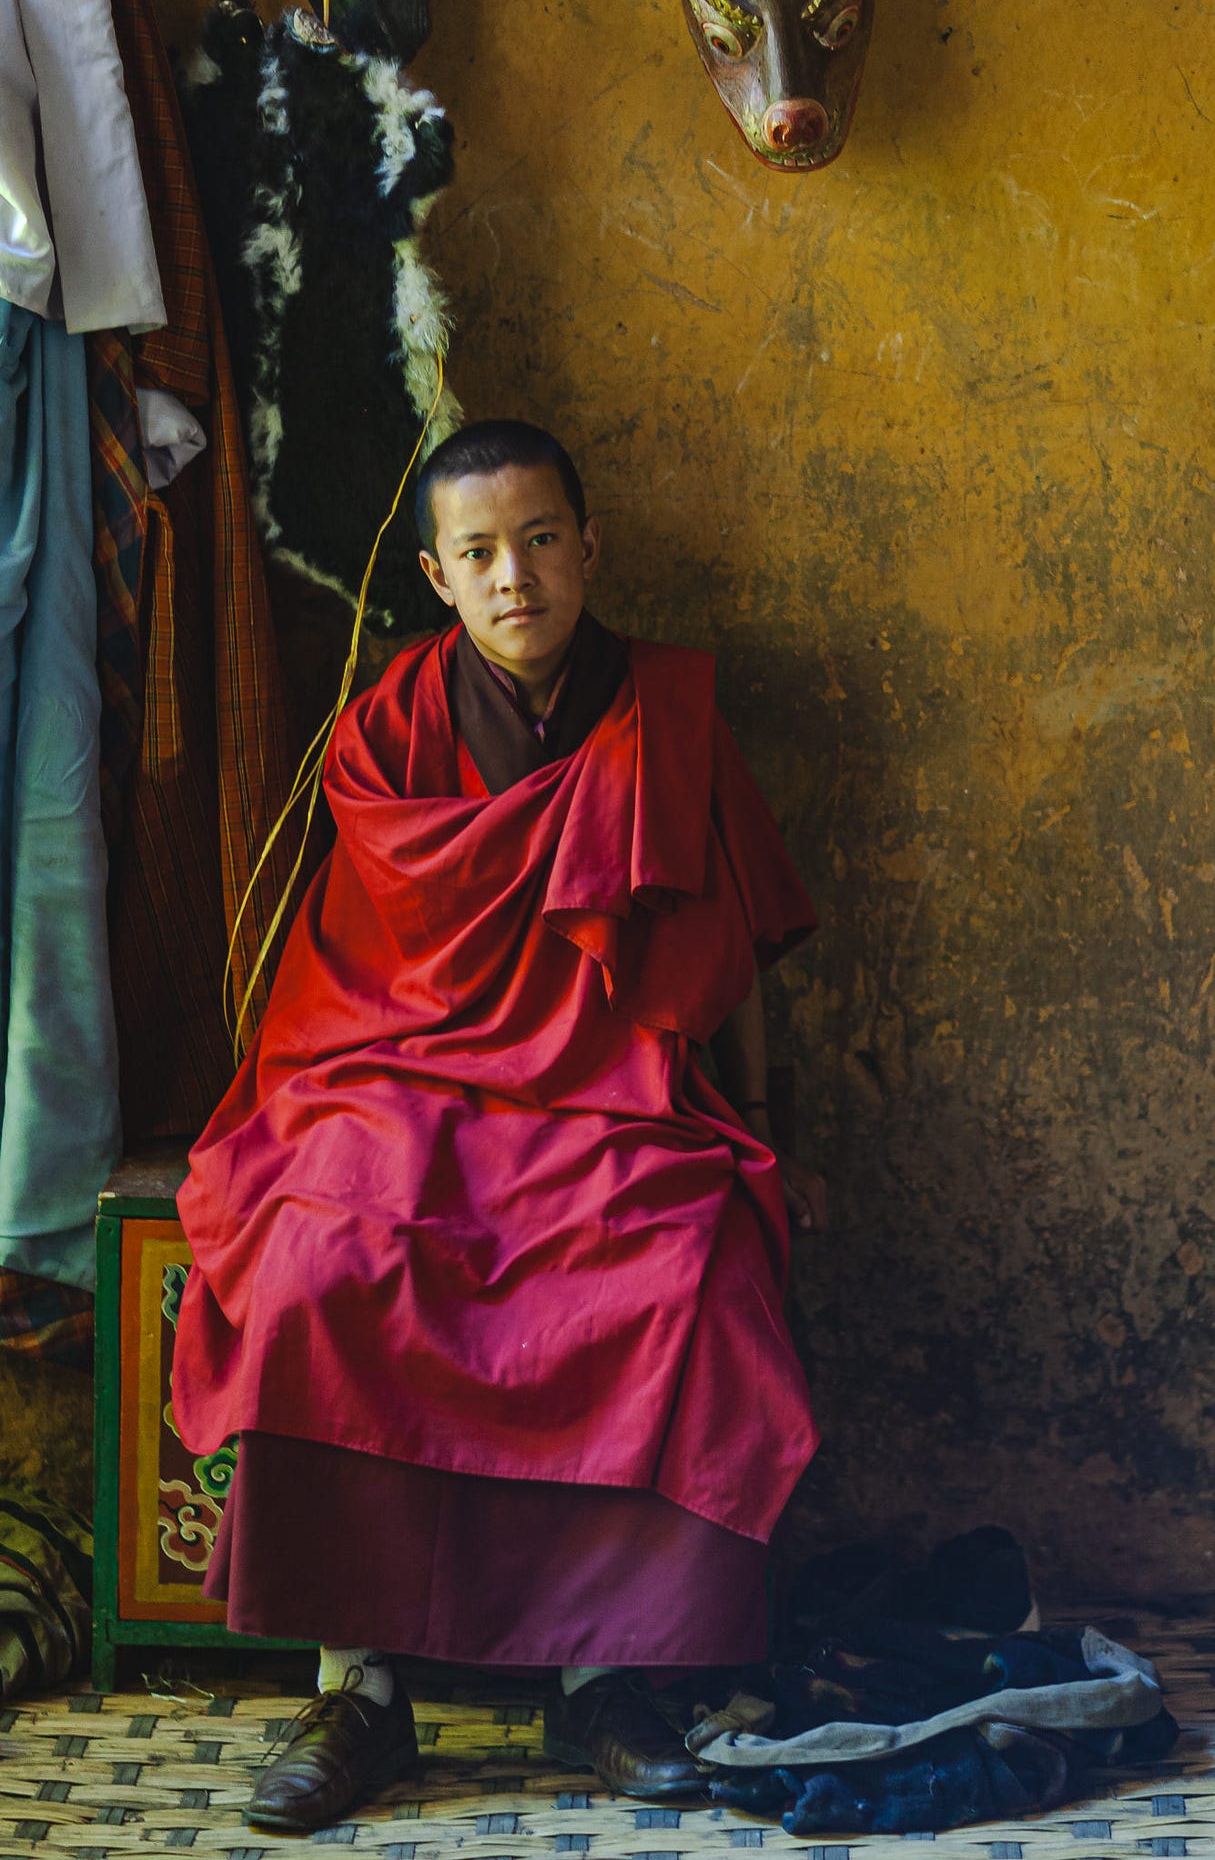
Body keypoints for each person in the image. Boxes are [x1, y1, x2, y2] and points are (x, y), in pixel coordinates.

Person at [171, 419, 827, 1833]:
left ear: (589, 547)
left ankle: (611, 1679)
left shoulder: (668, 715)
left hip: (613, 1090)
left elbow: (734, 947)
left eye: (539, 540)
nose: (514, 575)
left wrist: (768, 1129)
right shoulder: (389, 729)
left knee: (685, 1268)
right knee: (316, 1266)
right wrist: (329, 1109)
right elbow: (358, 967)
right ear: (436, 577)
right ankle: (361, 1695)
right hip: (398, 1075)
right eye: (478, 553)